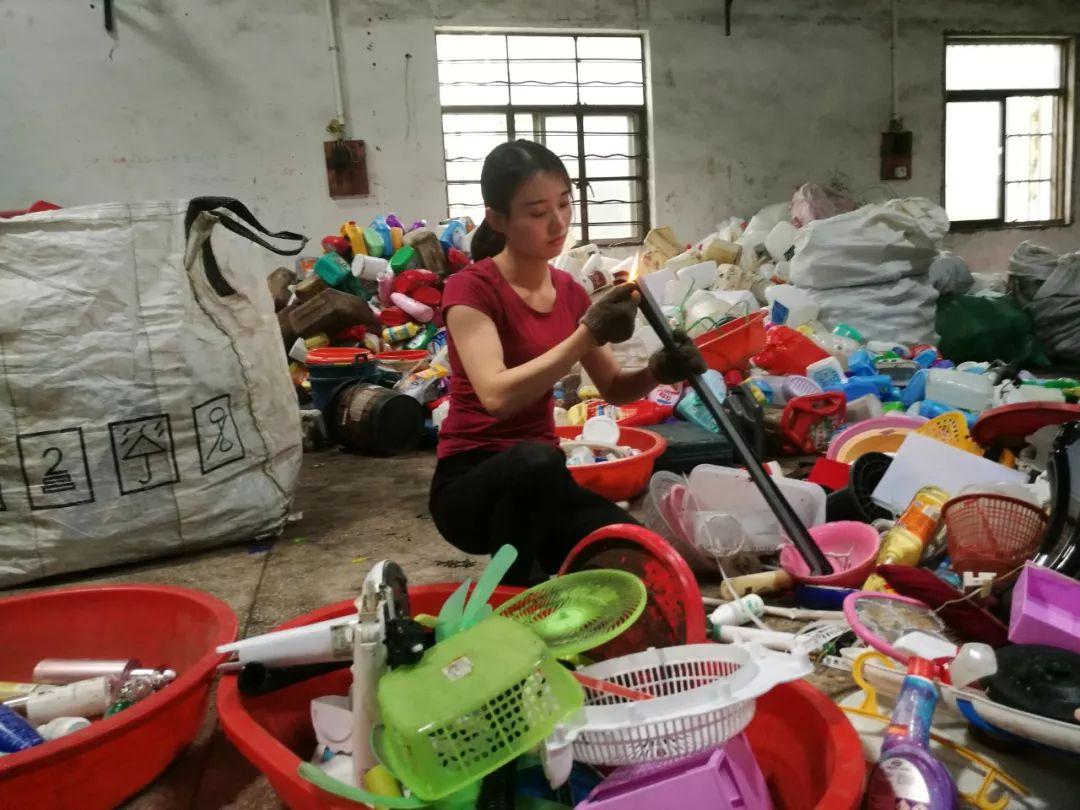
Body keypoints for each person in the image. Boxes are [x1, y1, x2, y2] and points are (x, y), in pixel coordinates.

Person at [429, 140, 705, 585]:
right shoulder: (471, 289)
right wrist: (586, 335)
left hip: (544, 480)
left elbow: (614, 387)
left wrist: (658, 371)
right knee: (537, 462)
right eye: (538, 212)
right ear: (498, 219)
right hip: (472, 486)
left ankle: (542, 569)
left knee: (641, 554)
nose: (558, 222)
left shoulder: (570, 292)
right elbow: (497, 397)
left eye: (564, 203)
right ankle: (512, 593)